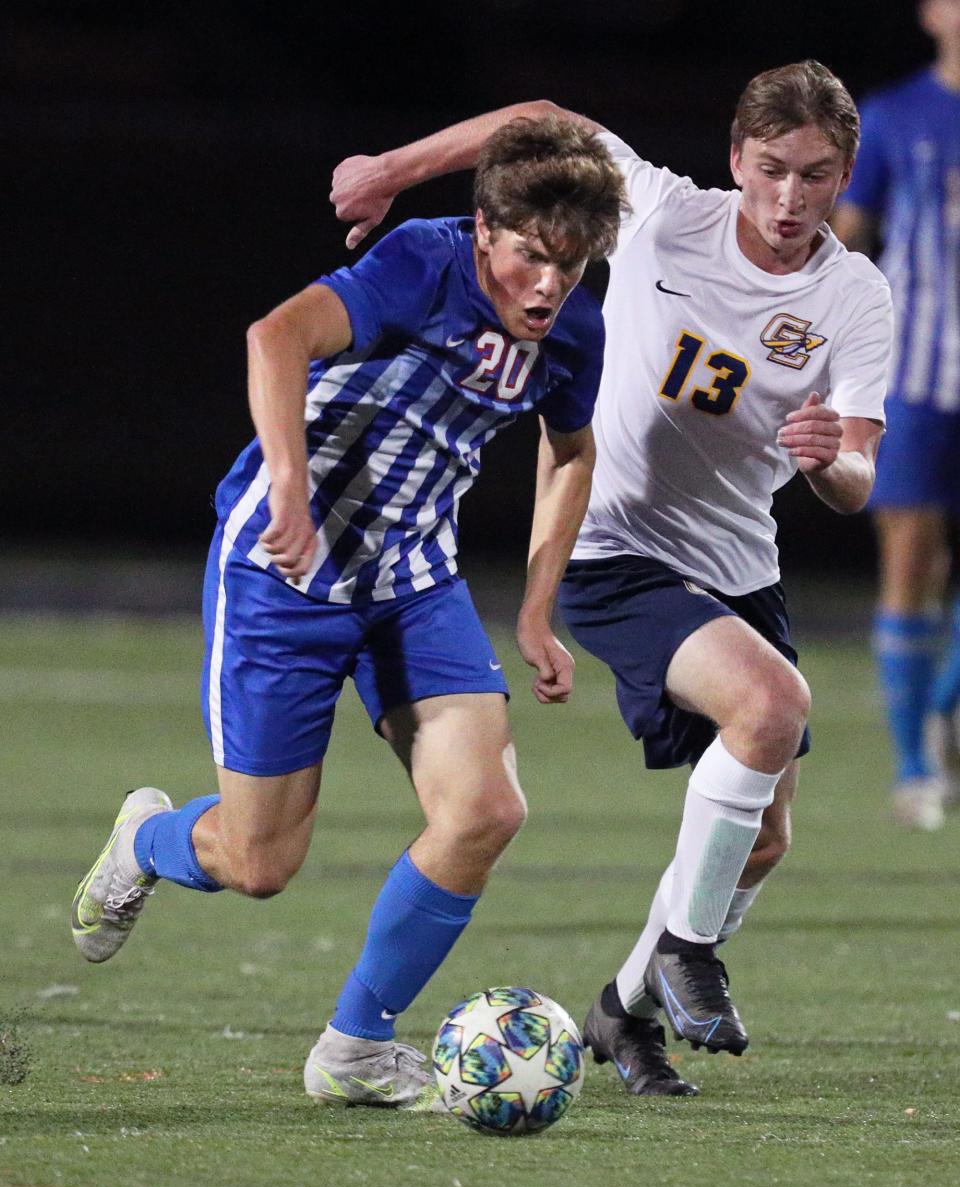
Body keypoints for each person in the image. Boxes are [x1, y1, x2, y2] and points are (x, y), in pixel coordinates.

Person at [329, 60, 892, 1097]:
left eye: (814, 176)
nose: (788, 199)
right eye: (770, 170)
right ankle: (686, 953)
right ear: (737, 161)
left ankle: (623, 1011)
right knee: (771, 706)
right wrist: (392, 170)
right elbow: (543, 116)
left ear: (843, 173)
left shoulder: (852, 295)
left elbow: (859, 476)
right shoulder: (665, 212)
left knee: (761, 842)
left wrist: (827, 463)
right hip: (616, 548)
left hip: (739, 567)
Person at [71, 116, 628, 1110]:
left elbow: (572, 450)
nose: (549, 287)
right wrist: (288, 482)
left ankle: (356, 1049)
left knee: (486, 810)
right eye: (533, 259)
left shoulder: (576, 326)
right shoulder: (423, 263)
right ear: (489, 230)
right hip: (284, 575)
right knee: (258, 864)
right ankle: (147, 841)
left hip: (412, 581)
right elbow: (275, 336)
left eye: (573, 266)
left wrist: (540, 610)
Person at [833, 0, 960, 833]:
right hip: (915, 378)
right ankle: (917, 765)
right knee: (911, 559)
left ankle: (942, 706)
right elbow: (847, 244)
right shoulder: (893, 115)